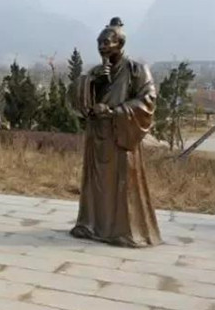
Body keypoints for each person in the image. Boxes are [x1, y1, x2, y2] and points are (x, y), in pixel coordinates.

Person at [69, 17, 162, 247]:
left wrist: (115, 111)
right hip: (97, 137)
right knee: (96, 184)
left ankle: (123, 230)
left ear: (119, 44)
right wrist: (92, 81)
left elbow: (148, 99)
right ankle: (91, 224)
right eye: (99, 43)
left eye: (107, 42)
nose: (102, 47)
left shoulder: (136, 70)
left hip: (121, 133)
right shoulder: (97, 72)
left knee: (122, 184)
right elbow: (76, 97)